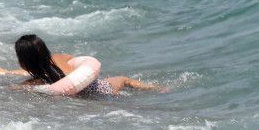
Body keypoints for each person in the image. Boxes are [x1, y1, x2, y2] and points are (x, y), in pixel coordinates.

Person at [14, 34, 163, 96]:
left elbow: (20, 89)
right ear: (46, 51)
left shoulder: (35, 82)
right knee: (124, 80)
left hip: (85, 98)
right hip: (100, 89)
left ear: (23, 62)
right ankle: (159, 89)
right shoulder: (61, 58)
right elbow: (72, 59)